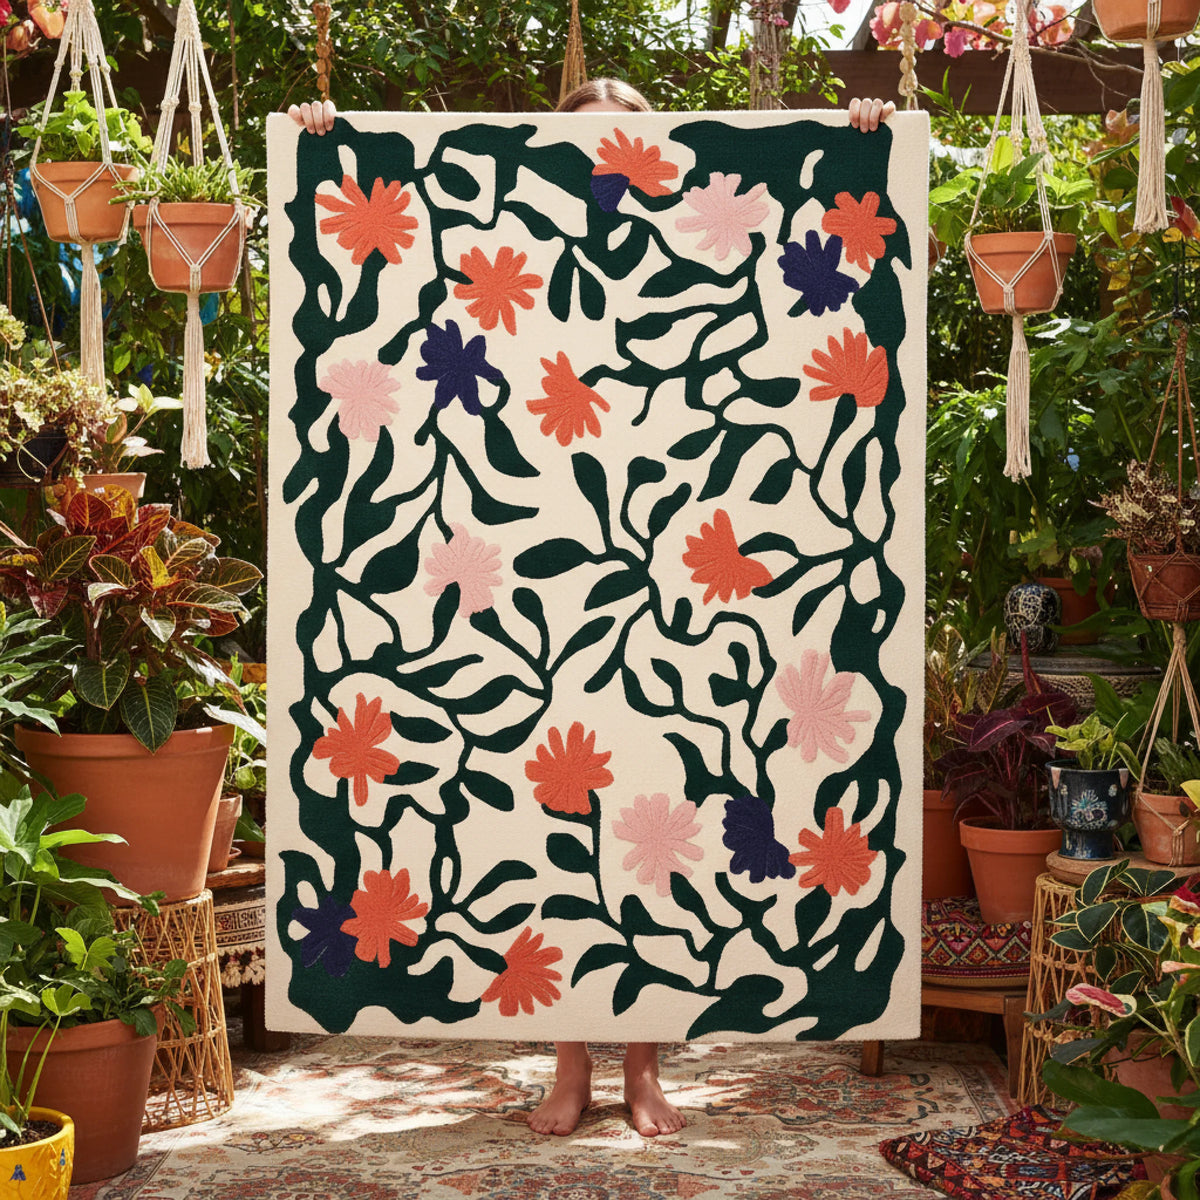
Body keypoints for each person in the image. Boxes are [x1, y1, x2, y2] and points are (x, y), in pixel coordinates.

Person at [284, 79, 896, 1142]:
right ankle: (569, 1063)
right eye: (583, 136)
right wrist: (328, 148)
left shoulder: (684, 232)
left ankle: (646, 1071)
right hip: (532, 569)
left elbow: (763, 333)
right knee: (544, 821)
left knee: (660, 812)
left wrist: (860, 145)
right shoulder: (507, 227)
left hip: (675, 579)